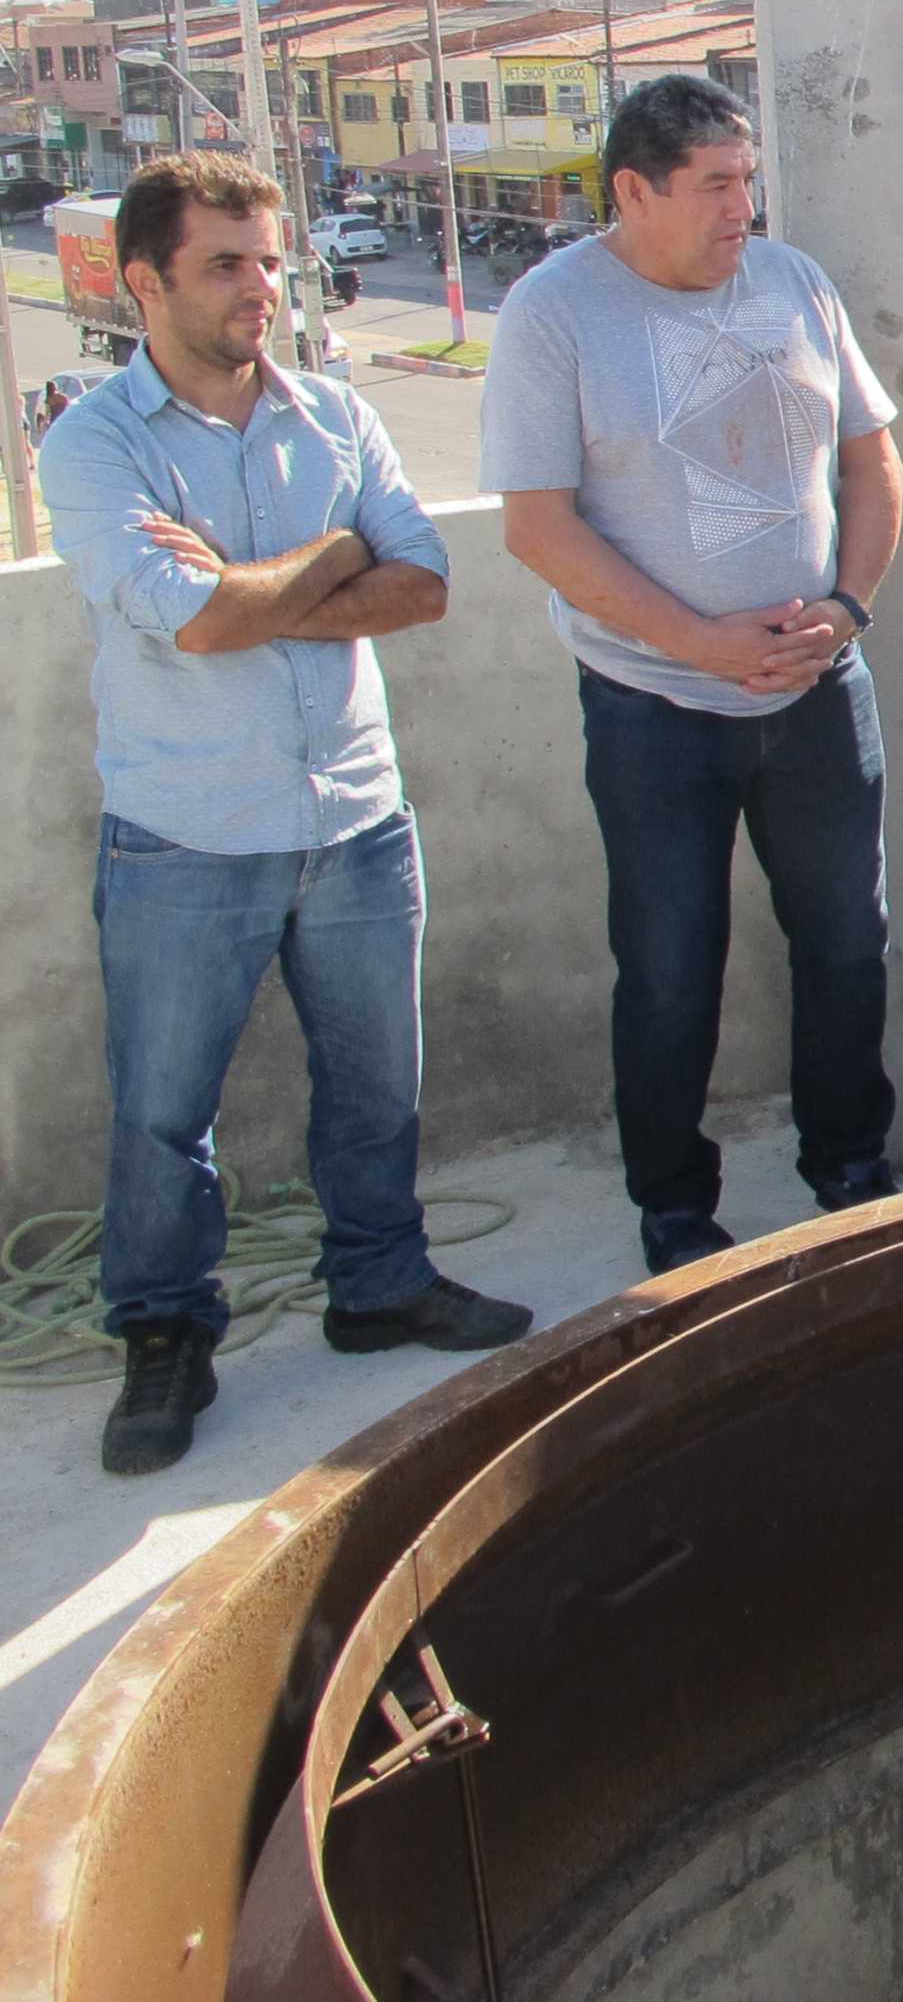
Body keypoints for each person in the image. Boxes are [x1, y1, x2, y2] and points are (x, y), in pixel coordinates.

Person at [39, 153, 529, 1478]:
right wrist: (329, 559)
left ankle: (379, 1285)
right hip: (187, 831)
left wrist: (261, 587)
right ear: (145, 281)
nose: (262, 287)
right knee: (161, 1110)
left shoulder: (331, 414)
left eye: (270, 261)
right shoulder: (93, 443)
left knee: (376, 1084)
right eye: (226, 264)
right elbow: (190, 620)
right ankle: (163, 1333)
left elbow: (423, 585)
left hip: (358, 814)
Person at [483, 75, 903, 1276]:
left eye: (747, 181)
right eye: (715, 185)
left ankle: (850, 1169)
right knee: (670, 969)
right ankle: (675, 1210)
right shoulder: (554, 311)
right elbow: (537, 526)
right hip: (652, 708)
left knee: (846, 944)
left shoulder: (793, 283)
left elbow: (873, 465)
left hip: (821, 692)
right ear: (633, 190)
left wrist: (846, 607)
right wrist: (698, 642)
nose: (741, 207)